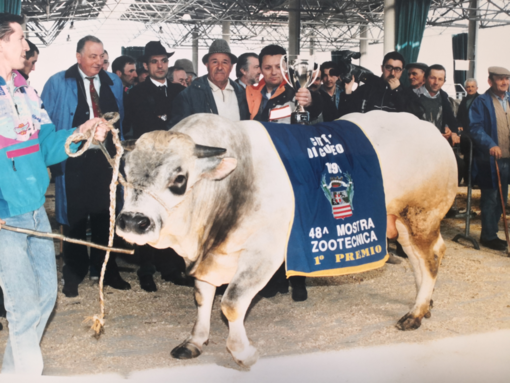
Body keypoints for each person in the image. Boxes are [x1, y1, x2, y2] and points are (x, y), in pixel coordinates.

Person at [0, 13, 109, 374]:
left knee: (46, 298)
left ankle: (12, 374)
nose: (27, 46)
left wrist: (80, 133)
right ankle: (25, 376)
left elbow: (46, 144)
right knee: (22, 305)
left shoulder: (25, 89)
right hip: (5, 215)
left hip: (33, 211)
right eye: (20, 39)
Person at [41, 35, 130, 297]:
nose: (99, 61)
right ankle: (74, 272)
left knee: (106, 214)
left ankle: (105, 269)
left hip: (105, 160)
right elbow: (46, 123)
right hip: (74, 160)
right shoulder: (57, 82)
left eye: (102, 56)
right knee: (75, 217)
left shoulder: (113, 82)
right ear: (78, 57)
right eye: (92, 56)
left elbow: (119, 120)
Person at [123, 41, 188, 291]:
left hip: (172, 162)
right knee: (145, 211)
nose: (160, 66)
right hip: (148, 162)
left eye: (163, 61)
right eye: (154, 62)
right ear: (146, 65)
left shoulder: (178, 91)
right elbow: (136, 124)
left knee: (171, 211)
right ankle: (146, 269)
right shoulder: (136, 93)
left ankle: (171, 267)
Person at [469, 67, 510, 251]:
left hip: (508, 159)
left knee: (503, 198)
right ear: (490, 81)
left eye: (507, 79)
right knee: (491, 198)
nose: (504, 83)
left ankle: (493, 232)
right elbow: (475, 127)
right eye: (500, 79)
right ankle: (489, 236)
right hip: (490, 160)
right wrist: (490, 144)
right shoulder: (481, 102)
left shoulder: (509, 100)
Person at [169, 39, 249, 127]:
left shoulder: (242, 94)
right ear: (207, 65)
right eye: (214, 62)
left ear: (231, 66)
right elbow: (177, 132)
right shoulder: (189, 95)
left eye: (225, 62)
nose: (219, 67)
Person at [246, 44, 322, 124]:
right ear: (260, 69)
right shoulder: (249, 93)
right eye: (268, 68)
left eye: (279, 67)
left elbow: (317, 108)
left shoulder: (297, 90)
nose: (274, 72)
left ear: (286, 67)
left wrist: (311, 102)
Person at [341, 51, 408, 115]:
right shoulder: (367, 89)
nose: (392, 73)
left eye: (397, 69)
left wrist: (397, 91)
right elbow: (348, 115)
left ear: (402, 71)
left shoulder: (407, 94)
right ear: (382, 68)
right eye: (388, 67)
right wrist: (348, 93)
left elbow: (409, 118)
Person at [457, 78, 480, 184]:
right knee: (467, 157)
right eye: (468, 87)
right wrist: (460, 125)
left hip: (477, 134)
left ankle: (475, 181)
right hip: (466, 134)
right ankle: (467, 180)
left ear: (477, 88)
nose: (470, 89)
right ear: (465, 88)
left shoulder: (481, 100)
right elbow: (459, 116)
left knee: (476, 158)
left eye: (472, 86)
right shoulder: (464, 101)